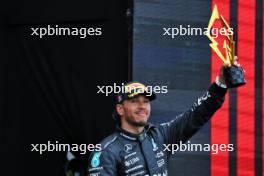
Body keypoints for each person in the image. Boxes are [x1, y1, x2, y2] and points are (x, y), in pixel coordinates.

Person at [87, 65, 235, 176]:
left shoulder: (159, 136)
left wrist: (220, 84)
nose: (142, 106)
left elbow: (195, 115)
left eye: (146, 101)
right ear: (120, 109)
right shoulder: (107, 151)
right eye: (134, 101)